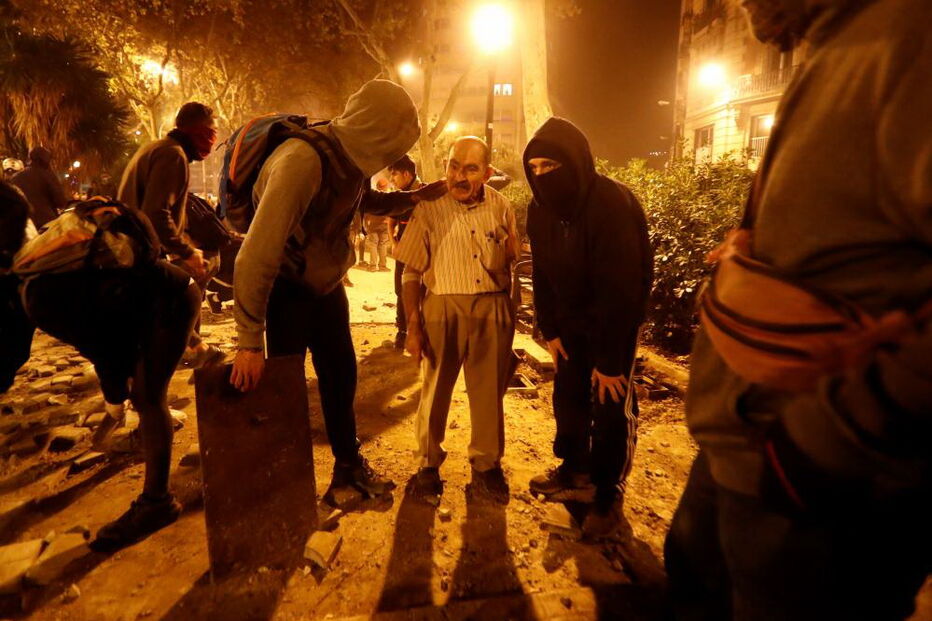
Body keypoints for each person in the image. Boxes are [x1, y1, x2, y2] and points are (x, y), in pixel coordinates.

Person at [664, 1, 932, 619]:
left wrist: (822, 442)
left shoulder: (908, 39)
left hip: (824, 499)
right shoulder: (838, 47)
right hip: (747, 461)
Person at [229, 79, 445, 506]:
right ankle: (286, 483)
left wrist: (412, 198)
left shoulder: (350, 158)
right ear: (374, 129)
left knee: (341, 376)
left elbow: (360, 201)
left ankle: (347, 467)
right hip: (288, 290)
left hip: (326, 287)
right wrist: (249, 341)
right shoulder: (302, 162)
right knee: (286, 391)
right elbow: (255, 256)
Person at [1, 180, 201, 551]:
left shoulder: (36, 290)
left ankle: (157, 503)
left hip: (172, 300)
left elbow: (105, 348)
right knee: (141, 390)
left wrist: (115, 394)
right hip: (155, 296)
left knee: (147, 397)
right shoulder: (38, 261)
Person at [522, 118, 653, 538]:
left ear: (576, 162)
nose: (542, 177)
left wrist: (612, 360)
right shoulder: (539, 208)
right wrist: (551, 328)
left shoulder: (611, 203)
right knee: (569, 397)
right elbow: (541, 270)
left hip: (612, 323)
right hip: (570, 325)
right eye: (535, 168)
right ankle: (574, 468)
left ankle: (607, 494)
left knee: (611, 403)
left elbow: (624, 285)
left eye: (551, 166)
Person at [395, 136, 520, 504]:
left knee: (488, 395)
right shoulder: (429, 207)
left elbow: (511, 262)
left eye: (470, 168)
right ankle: (428, 465)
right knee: (434, 392)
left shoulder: (502, 207)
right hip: (442, 309)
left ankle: (486, 466)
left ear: (487, 173)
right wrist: (413, 327)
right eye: (453, 165)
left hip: (492, 308)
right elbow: (410, 273)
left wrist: (507, 317)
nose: (458, 176)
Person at [118, 102, 223, 369]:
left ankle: (197, 350)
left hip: (133, 245)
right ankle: (195, 352)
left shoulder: (159, 147)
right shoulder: (172, 155)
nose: (213, 137)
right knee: (183, 293)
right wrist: (187, 251)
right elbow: (156, 212)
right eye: (210, 131)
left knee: (166, 305)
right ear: (195, 131)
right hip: (137, 248)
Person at [387, 155, 424, 349]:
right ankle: (402, 331)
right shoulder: (399, 196)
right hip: (403, 251)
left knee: (422, 290)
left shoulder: (426, 193)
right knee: (400, 290)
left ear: (407, 174)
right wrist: (394, 243)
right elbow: (391, 222)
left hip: (423, 253)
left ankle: (422, 330)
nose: (392, 179)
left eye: (394, 174)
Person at [10, 147, 67, 228]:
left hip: (25, 225)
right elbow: (60, 201)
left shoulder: (15, 178)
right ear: (45, 160)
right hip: (47, 222)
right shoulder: (47, 175)